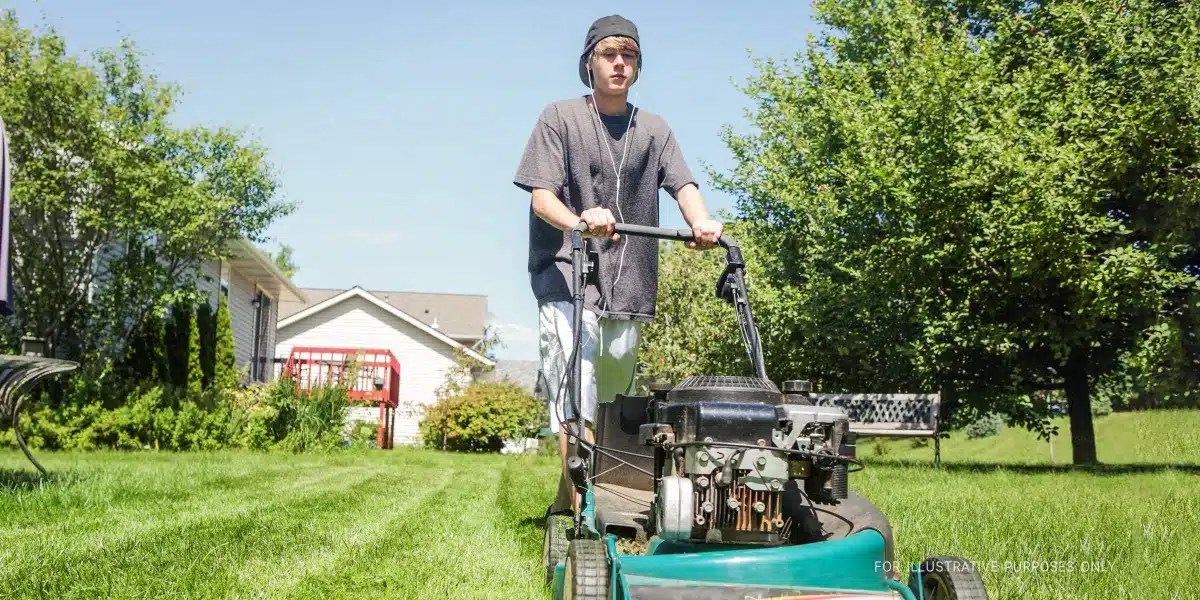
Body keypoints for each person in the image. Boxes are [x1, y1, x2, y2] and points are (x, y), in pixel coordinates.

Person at [513, 15, 723, 515]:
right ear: (589, 62)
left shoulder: (653, 128)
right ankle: (583, 508)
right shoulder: (559, 118)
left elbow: (683, 185)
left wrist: (702, 222)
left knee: (612, 400)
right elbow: (543, 199)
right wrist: (580, 220)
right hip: (566, 273)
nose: (620, 63)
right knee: (575, 390)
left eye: (629, 55)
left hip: (629, 282)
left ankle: (575, 498)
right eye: (609, 54)